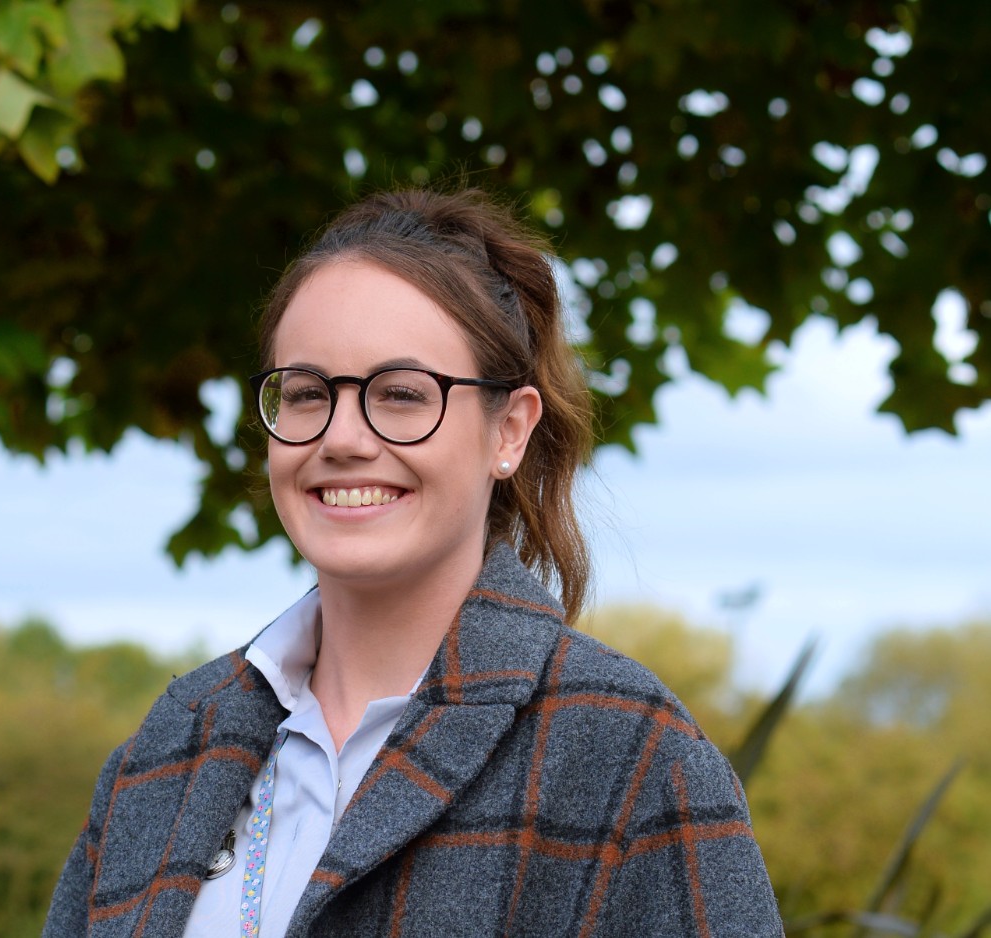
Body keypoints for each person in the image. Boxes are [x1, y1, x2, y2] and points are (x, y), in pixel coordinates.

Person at [43, 188, 784, 937]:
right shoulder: (167, 752)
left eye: (399, 394)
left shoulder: (628, 758)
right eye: (305, 394)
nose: (341, 438)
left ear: (510, 431)